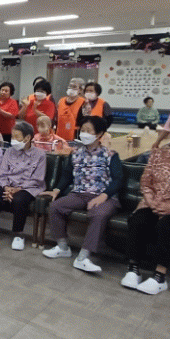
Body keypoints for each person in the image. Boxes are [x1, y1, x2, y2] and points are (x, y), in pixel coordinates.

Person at [41, 116, 122, 273]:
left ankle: (83, 257)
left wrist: (104, 196)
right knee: (56, 206)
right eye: (82, 130)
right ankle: (63, 247)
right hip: (79, 194)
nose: (84, 133)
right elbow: (67, 175)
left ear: (99, 134)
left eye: (88, 131)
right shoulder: (75, 153)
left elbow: (118, 180)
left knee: (98, 214)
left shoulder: (110, 155)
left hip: (104, 196)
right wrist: (57, 190)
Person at [122, 117, 170, 295]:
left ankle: (160, 276)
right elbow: (146, 181)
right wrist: (151, 200)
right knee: (138, 220)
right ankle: (133, 268)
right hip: (154, 203)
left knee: (166, 226)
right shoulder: (159, 154)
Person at [0, 121, 46, 252]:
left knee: (19, 199)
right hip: (8, 184)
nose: (13, 140)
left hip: (27, 187)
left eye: (17, 137)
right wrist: (7, 187)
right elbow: (2, 173)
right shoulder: (9, 152)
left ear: (27, 138)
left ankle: (18, 234)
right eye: (12, 136)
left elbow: (38, 179)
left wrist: (18, 189)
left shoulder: (40, 155)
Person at [55, 77, 85, 142]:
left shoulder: (83, 102)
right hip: (59, 136)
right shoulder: (61, 101)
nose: (71, 89)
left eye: (74, 87)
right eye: (70, 86)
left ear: (80, 90)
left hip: (75, 137)